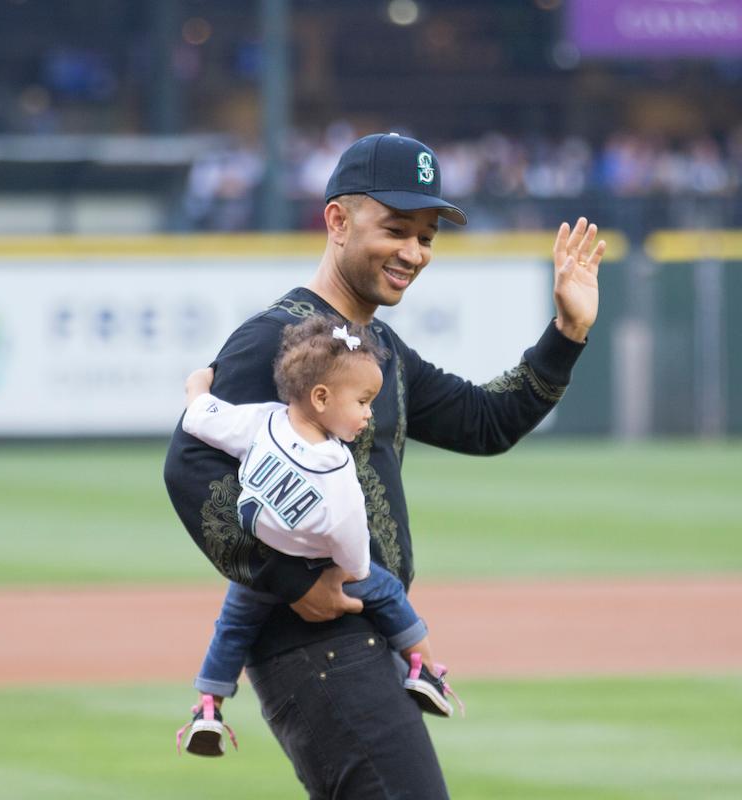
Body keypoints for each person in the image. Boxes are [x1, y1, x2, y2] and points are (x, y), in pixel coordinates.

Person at [163, 132, 605, 798]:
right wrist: (289, 580)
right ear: (337, 221)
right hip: (315, 649)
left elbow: (485, 423)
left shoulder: (375, 349)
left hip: (357, 645)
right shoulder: (280, 337)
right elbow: (188, 466)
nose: (414, 252)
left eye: (427, 236)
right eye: (396, 229)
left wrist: (566, 335)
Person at [176, 316, 460, 758]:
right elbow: (354, 545)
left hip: (260, 568)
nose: (369, 412)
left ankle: (208, 708)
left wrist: (198, 386)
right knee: (384, 588)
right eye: (363, 401)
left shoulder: (262, 422)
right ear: (322, 397)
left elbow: (201, 420)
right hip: (314, 568)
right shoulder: (335, 465)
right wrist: (355, 573)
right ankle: (423, 667)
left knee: (231, 629)